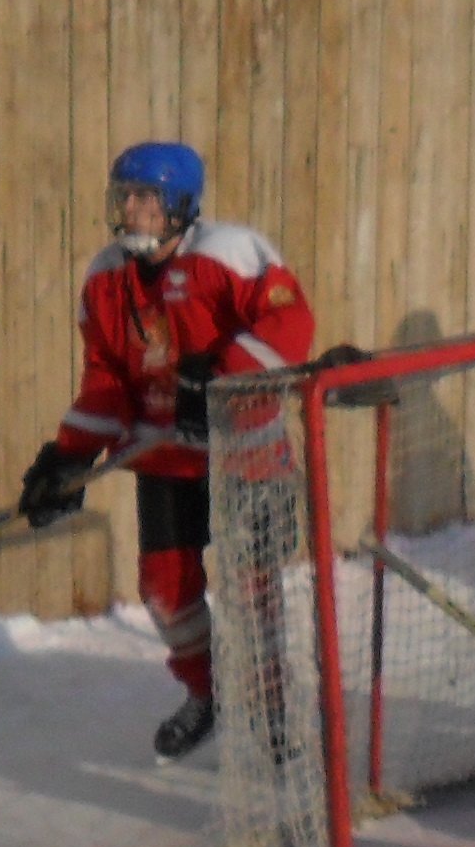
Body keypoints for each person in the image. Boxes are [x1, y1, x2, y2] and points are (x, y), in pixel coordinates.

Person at [19, 140, 313, 759]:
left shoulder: (229, 253)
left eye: (145, 200)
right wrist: (69, 456)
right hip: (163, 459)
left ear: (179, 206)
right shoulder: (104, 279)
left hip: (244, 454)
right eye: (123, 198)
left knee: (250, 588)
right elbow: (105, 378)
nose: (131, 210)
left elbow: (291, 327)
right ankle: (208, 695)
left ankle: (272, 706)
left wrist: (221, 378)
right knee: (163, 590)